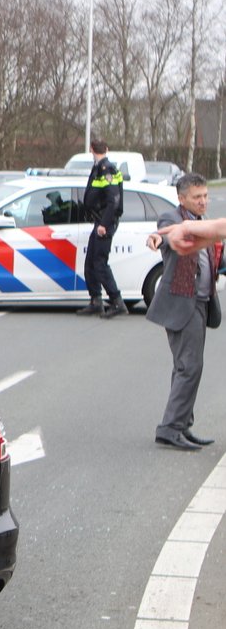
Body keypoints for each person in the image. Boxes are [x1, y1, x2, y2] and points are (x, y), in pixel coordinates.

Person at [144, 173, 218, 450]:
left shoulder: (203, 222)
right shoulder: (172, 219)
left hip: (201, 302)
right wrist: (158, 240)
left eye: (205, 196)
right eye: (197, 197)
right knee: (189, 367)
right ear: (182, 198)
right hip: (182, 302)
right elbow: (167, 235)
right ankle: (170, 428)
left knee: (186, 367)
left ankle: (182, 425)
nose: (203, 201)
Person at [78, 139, 126, 317]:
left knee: (99, 263)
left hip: (105, 223)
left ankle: (116, 301)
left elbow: (113, 201)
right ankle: (96, 300)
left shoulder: (107, 169)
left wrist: (104, 224)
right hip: (99, 222)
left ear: (91, 149)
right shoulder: (99, 167)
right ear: (106, 149)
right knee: (91, 261)